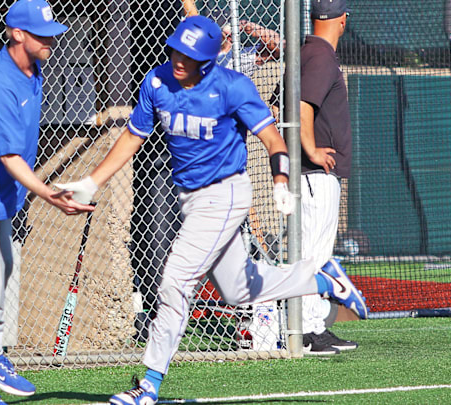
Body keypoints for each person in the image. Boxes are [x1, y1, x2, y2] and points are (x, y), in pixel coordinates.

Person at [55, 15, 367, 405]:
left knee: (174, 282)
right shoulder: (156, 82)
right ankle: (323, 281)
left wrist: (281, 180)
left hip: (225, 195)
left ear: (210, 60)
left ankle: (148, 384)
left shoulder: (233, 88)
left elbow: (273, 140)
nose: (179, 61)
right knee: (239, 289)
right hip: (192, 199)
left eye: (190, 56)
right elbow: (133, 137)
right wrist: (91, 181)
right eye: (176, 51)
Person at [0, 1, 94, 404]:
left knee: (5, 267)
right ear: (17, 34)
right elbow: (10, 158)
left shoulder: (34, 69)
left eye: (52, 33)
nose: (51, 41)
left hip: (1, 194)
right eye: (42, 34)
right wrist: (48, 194)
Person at [296, 0, 358, 355]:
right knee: (313, 253)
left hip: (312, 174)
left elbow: (280, 105)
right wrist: (311, 148)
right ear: (343, 19)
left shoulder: (309, 51)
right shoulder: (320, 56)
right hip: (315, 172)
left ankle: (314, 324)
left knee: (316, 250)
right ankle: (305, 330)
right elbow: (303, 105)